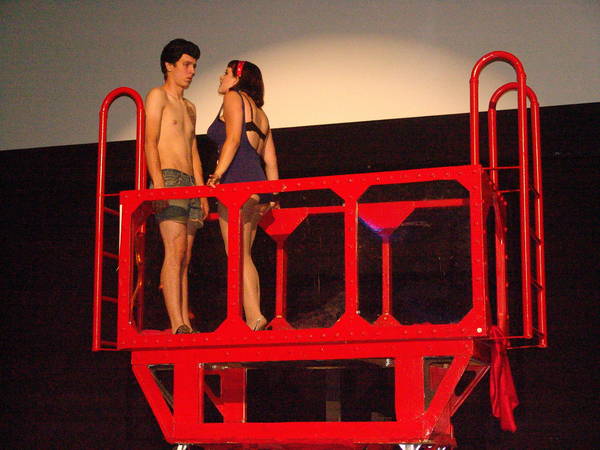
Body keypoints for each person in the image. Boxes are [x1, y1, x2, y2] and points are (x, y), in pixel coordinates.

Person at [206, 60, 279, 331]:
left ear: (238, 78)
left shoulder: (233, 97)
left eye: (226, 73)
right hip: (257, 187)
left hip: (236, 183)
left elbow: (233, 139)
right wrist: (273, 196)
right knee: (243, 254)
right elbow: (270, 161)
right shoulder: (261, 114)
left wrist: (216, 174)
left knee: (236, 254)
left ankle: (254, 316)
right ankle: (254, 316)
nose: (221, 77)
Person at [145, 38, 209, 334]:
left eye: (194, 65)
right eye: (186, 64)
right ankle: (177, 323)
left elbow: (193, 151)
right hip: (169, 178)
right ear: (169, 66)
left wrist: (202, 191)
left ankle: (184, 321)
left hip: (190, 184)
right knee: (175, 249)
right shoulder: (157, 96)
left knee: (185, 255)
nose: (192, 71)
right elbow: (149, 141)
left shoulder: (190, 107)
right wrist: (159, 184)